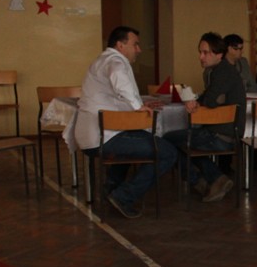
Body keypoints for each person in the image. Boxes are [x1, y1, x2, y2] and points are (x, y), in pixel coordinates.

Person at [75, 26, 177, 219]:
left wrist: (140, 103)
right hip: (103, 138)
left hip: (98, 135)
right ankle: (124, 196)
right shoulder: (115, 61)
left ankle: (112, 188)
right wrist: (138, 106)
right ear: (120, 45)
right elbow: (119, 78)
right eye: (135, 44)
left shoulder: (101, 60)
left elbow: (113, 97)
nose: (139, 49)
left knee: (140, 140)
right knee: (167, 152)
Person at [164, 32, 246, 203]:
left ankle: (206, 180)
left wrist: (200, 101)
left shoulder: (222, 72)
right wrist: (202, 100)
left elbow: (211, 101)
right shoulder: (219, 70)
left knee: (167, 140)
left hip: (221, 136)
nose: (201, 56)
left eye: (205, 52)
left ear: (219, 54)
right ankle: (211, 180)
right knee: (182, 143)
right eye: (200, 52)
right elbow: (211, 98)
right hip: (226, 133)